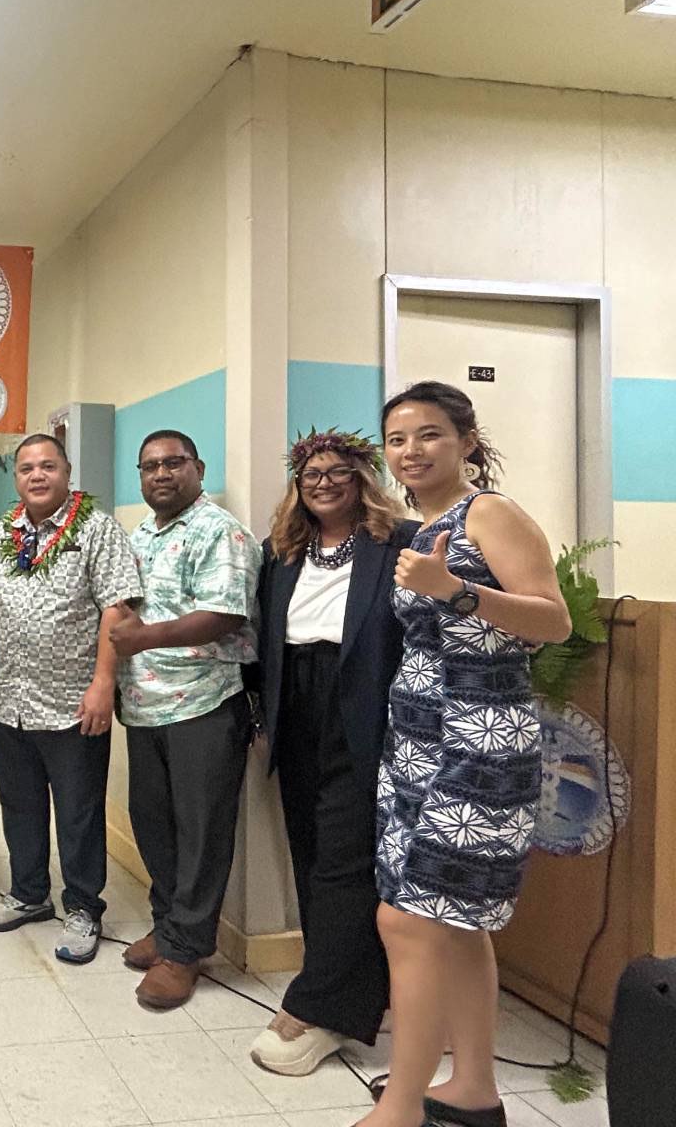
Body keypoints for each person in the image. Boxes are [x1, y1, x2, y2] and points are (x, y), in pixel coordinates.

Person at [361, 382, 569, 1127]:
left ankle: (401, 1108)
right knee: (455, 922)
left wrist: (456, 591)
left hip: (479, 745)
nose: (410, 451)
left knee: (408, 923)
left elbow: (553, 620)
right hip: (417, 745)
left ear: (467, 442)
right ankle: (474, 1090)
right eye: (397, 439)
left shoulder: (489, 513)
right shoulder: (422, 526)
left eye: (429, 435)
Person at [246, 430, 415, 1076]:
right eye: (311, 474)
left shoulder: (398, 543)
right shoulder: (282, 551)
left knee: (345, 858)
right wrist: (261, 713)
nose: (322, 483)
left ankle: (314, 1007)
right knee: (310, 849)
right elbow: (264, 637)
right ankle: (349, 993)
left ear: (362, 478)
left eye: (337, 472)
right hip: (296, 704)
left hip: (361, 706)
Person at [0, 434, 142, 964]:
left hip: (71, 701)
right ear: (16, 478)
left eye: (48, 466)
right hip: (7, 699)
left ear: (66, 472)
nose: (37, 475)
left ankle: (83, 907)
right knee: (20, 804)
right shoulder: (0, 532)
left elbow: (118, 607)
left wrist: (103, 684)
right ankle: (29, 893)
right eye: (26, 468)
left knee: (79, 812)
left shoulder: (97, 529)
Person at [109, 429, 260, 1010]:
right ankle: (169, 925)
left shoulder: (219, 531)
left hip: (204, 703)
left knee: (200, 833)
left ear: (198, 469)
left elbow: (224, 615)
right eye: (149, 466)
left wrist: (143, 638)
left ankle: (187, 950)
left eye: (173, 463)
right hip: (146, 705)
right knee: (153, 823)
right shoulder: (141, 534)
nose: (161, 474)